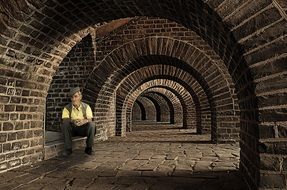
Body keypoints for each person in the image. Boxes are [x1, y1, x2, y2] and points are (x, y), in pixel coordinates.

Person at [61, 87, 95, 156]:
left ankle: (89, 148)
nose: (74, 99)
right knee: (65, 124)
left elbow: (90, 119)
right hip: (72, 129)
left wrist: (84, 121)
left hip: (83, 129)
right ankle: (68, 149)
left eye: (76, 96)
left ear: (80, 97)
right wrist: (73, 121)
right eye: (72, 97)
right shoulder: (67, 108)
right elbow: (65, 119)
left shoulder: (86, 107)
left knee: (92, 125)